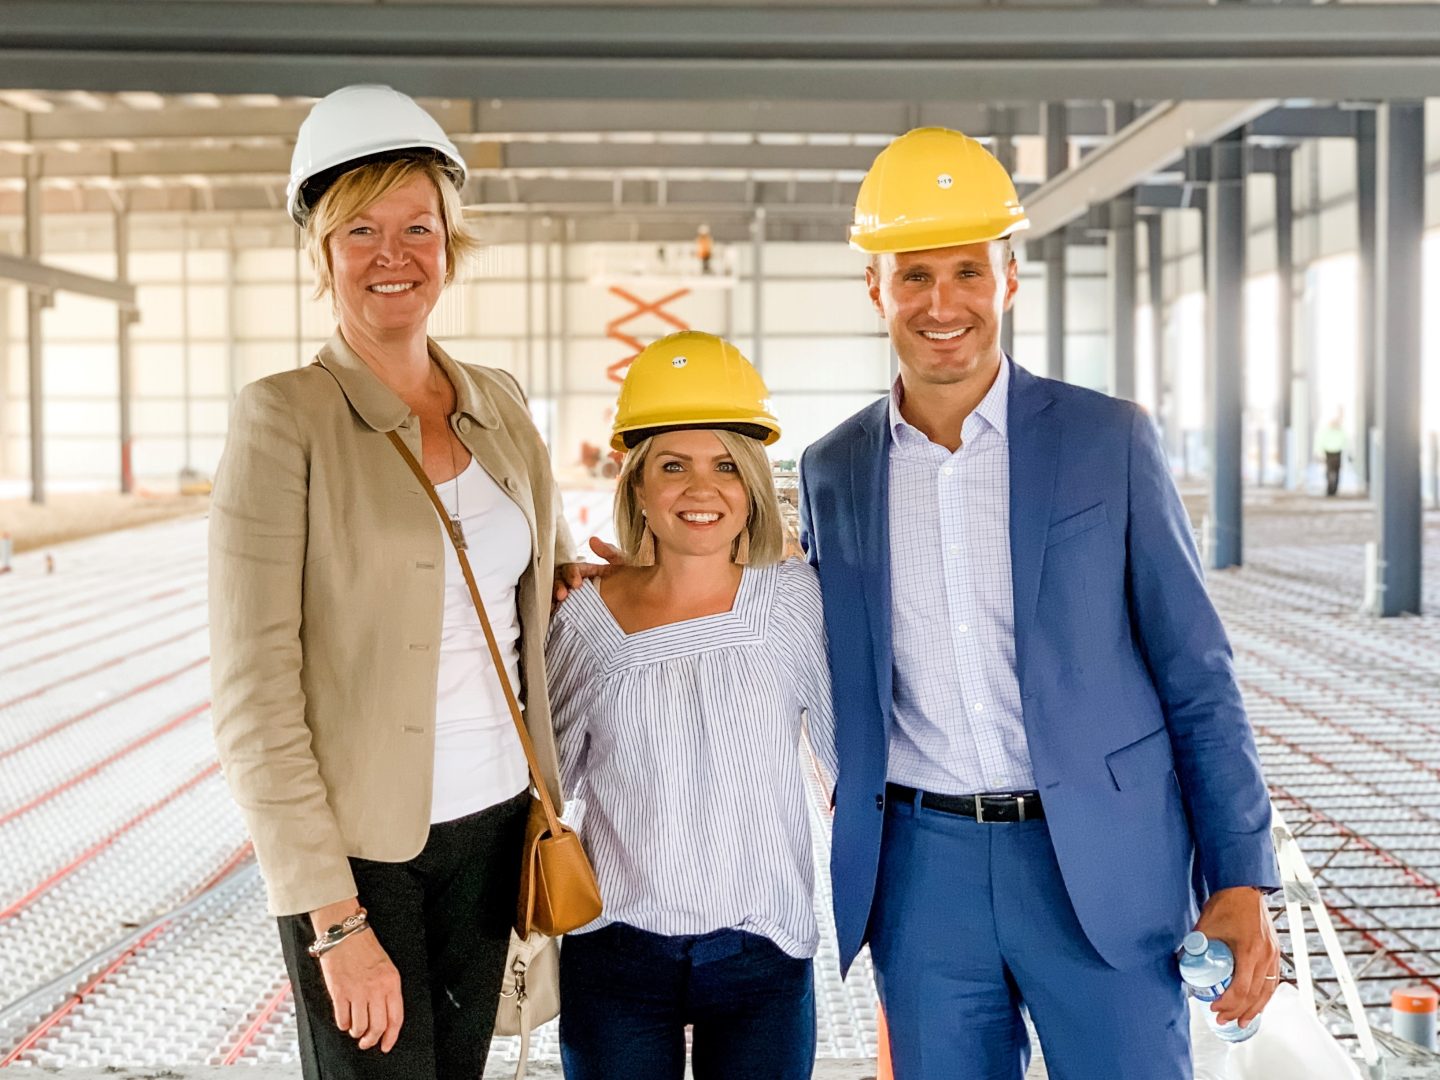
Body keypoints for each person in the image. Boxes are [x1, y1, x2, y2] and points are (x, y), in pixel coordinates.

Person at [797, 127, 1281, 1079]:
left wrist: (1240, 875)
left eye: (969, 273)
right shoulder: (833, 471)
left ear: (1008, 280)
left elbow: (1197, 676)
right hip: (922, 875)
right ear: (875, 290)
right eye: (915, 275)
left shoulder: (1108, 441)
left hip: (1103, 867)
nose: (944, 304)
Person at [208, 84, 573, 1080]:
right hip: (364, 860)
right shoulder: (287, 420)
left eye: (418, 227)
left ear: (451, 245)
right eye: (359, 229)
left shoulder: (495, 401)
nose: (392, 253)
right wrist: (332, 919)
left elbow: (551, 574)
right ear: (322, 252)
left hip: (498, 823)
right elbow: (253, 697)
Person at [545, 331, 832, 1080]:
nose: (701, 490)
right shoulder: (584, 619)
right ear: (638, 486)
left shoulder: (793, 600)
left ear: (753, 487)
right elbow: (547, 783)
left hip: (763, 955)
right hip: (615, 956)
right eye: (673, 466)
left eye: (726, 467)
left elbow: (846, 762)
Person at [1315, 408, 1348, 497]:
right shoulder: (1338, 430)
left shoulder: (1329, 430)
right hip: (1335, 452)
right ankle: (1333, 489)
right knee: (1335, 471)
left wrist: (1319, 451)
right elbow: (1345, 441)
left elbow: (1321, 441)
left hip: (1330, 452)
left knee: (1330, 470)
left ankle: (1331, 489)